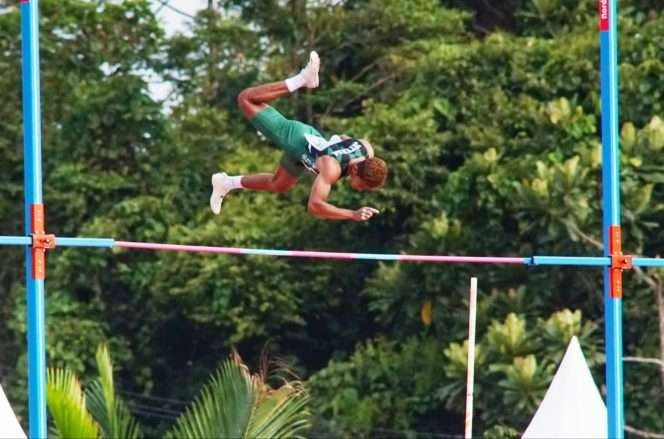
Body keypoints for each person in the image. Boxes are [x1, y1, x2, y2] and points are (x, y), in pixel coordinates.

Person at [209, 51, 388, 222]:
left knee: (278, 184)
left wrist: (330, 147)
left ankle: (225, 183)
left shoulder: (366, 149)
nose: (361, 189)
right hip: (296, 138)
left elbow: (343, 137)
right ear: (356, 170)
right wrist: (352, 214)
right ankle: (302, 79)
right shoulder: (331, 169)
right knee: (245, 99)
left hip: (306, 152)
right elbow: (315, 206)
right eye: (362, 185)